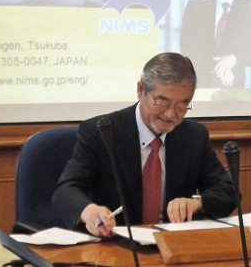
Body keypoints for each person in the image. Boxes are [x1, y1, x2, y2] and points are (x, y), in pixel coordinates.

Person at [52, 53, 236, 237]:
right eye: (162, 101)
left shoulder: (194, 136)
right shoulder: (102, 132)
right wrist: (89, 212)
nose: (171, 114)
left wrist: (197, 202)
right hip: (115, 245)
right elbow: (66, 191)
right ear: (141, 90)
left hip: (171, 246)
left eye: (182, 106)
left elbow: (228, 191)